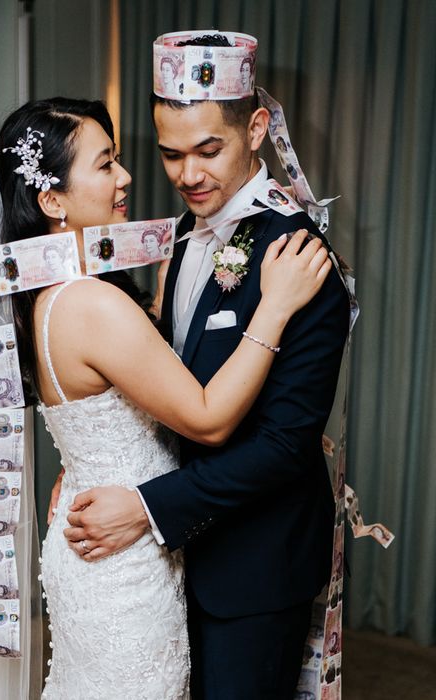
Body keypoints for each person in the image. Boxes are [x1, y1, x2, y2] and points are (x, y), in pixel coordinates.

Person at [0, 96, 331, 699]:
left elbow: (270, 434)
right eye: (105, 164)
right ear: (52, 200)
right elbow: (205, 417)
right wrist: (272, 308)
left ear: (254, 133)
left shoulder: (63, 290)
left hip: (167, 557)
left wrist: (87, 465)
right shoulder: (91, 303)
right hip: (123, 570)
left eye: (119, 158)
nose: (129, 177)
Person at [63, 33, 350, 699]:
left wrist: (145, 507)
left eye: (207, 150)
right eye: (169, 153)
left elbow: (284, 445)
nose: (187, 173)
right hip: (173, 562)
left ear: (254, 130)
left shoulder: (299, 259)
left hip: (254, 567)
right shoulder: (185, 237)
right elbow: (166, 384)